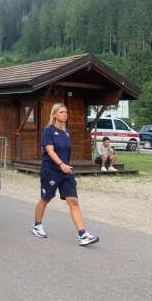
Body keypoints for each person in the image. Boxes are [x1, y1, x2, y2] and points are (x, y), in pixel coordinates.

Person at [32, 103, 99, 246]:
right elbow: (50, 151)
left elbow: (66, 153)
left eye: (66, 112)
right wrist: (61, 164)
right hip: (50, 170)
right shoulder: (48, 131)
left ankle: (83, 235)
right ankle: (37, 225)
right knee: (45, 198)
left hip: (66, 171)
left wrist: (65, 166)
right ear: (55, 114)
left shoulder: (66, 133)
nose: (65, 114)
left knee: (73, 201)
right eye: (62, 112)